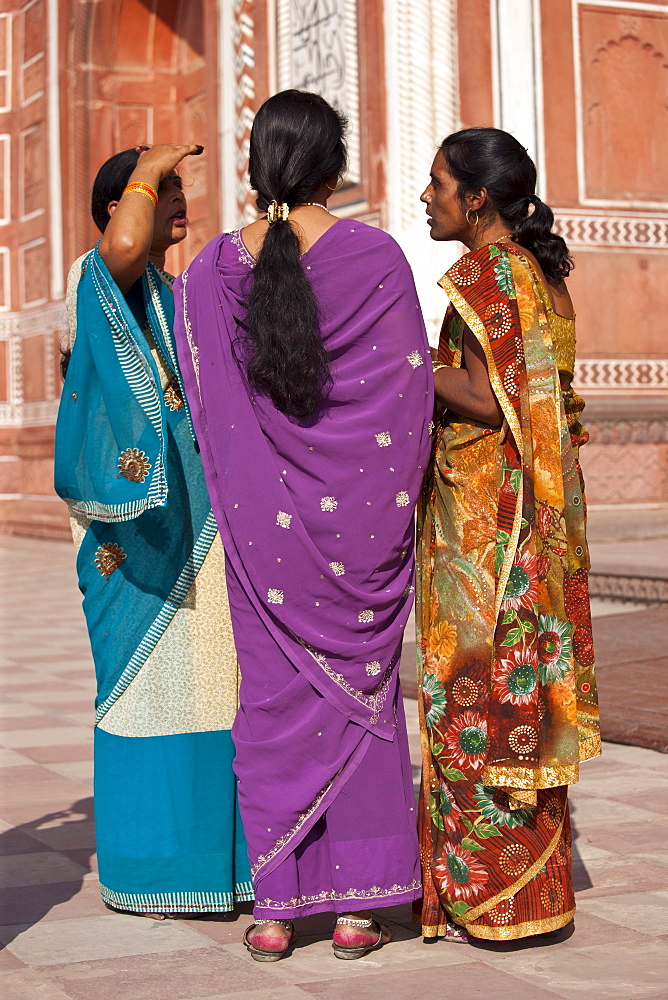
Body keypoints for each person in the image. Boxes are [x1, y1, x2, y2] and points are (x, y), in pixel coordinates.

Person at [173, 90, 433, 961]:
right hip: (358, 539)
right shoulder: (375, 256)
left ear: (256, 168)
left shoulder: (208, 272)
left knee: (278, 704)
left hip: (261, 540)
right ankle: (361, 909)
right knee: (359, 701)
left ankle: (277, 909)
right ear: (334, 163)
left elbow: (206, 407)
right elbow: (405, 399)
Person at [54, 145, 252, 918]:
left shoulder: (178, 295)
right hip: (133, 551)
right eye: (163, 189)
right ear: (120, 208)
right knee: (144, 693)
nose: (180, 199)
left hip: (203, 535)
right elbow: (126, 249)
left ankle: (216, 865)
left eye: (177, 186)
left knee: (212, 692)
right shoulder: (94, 279)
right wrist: (150, 161)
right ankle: (150, 866)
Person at [415, 128, 601, 942]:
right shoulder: (542, 275)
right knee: (513, 701)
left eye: (437, 184)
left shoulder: (494, 273)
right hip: (530, 525)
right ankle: (530, 898)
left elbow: (492, 403)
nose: (427, 198)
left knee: (471, 698)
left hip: (490, 529)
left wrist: (408, 364)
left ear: (477, 198)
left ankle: (485, 899)